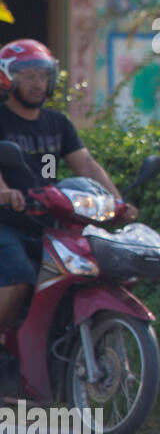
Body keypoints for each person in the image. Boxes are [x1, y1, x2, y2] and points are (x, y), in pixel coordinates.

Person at [0, 39, 136, 392]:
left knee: (80, 276)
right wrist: (5, 191)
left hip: (49, 222)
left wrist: (117, 203)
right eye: (27, 75)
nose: (36, 83)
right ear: (7, 79)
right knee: (19, 281)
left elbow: (86, 164)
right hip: (7, 223)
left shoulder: (57, 123)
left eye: (42, 75)